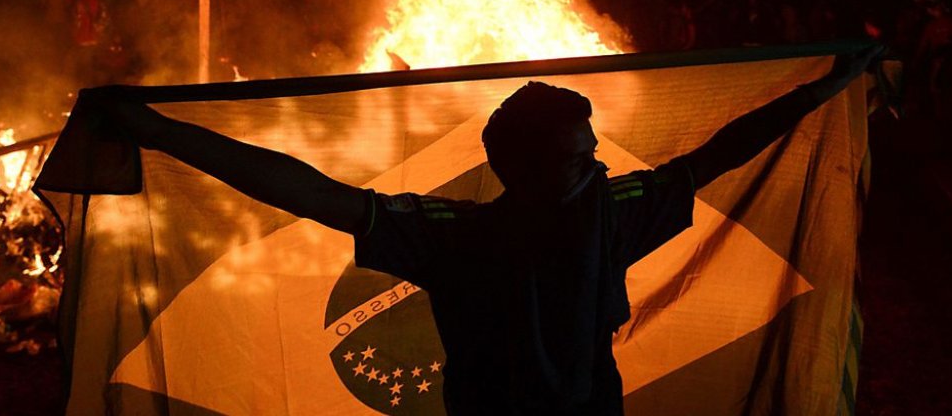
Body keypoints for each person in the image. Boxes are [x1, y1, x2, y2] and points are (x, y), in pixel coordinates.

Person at [89, 45, 883, 415]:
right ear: (530, 169)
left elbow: (721, 153)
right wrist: (162, 133)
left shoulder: (470, 231)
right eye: (581, 156)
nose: (601, 163)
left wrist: (822, 88)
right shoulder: (507, 231)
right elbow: (308, 191)